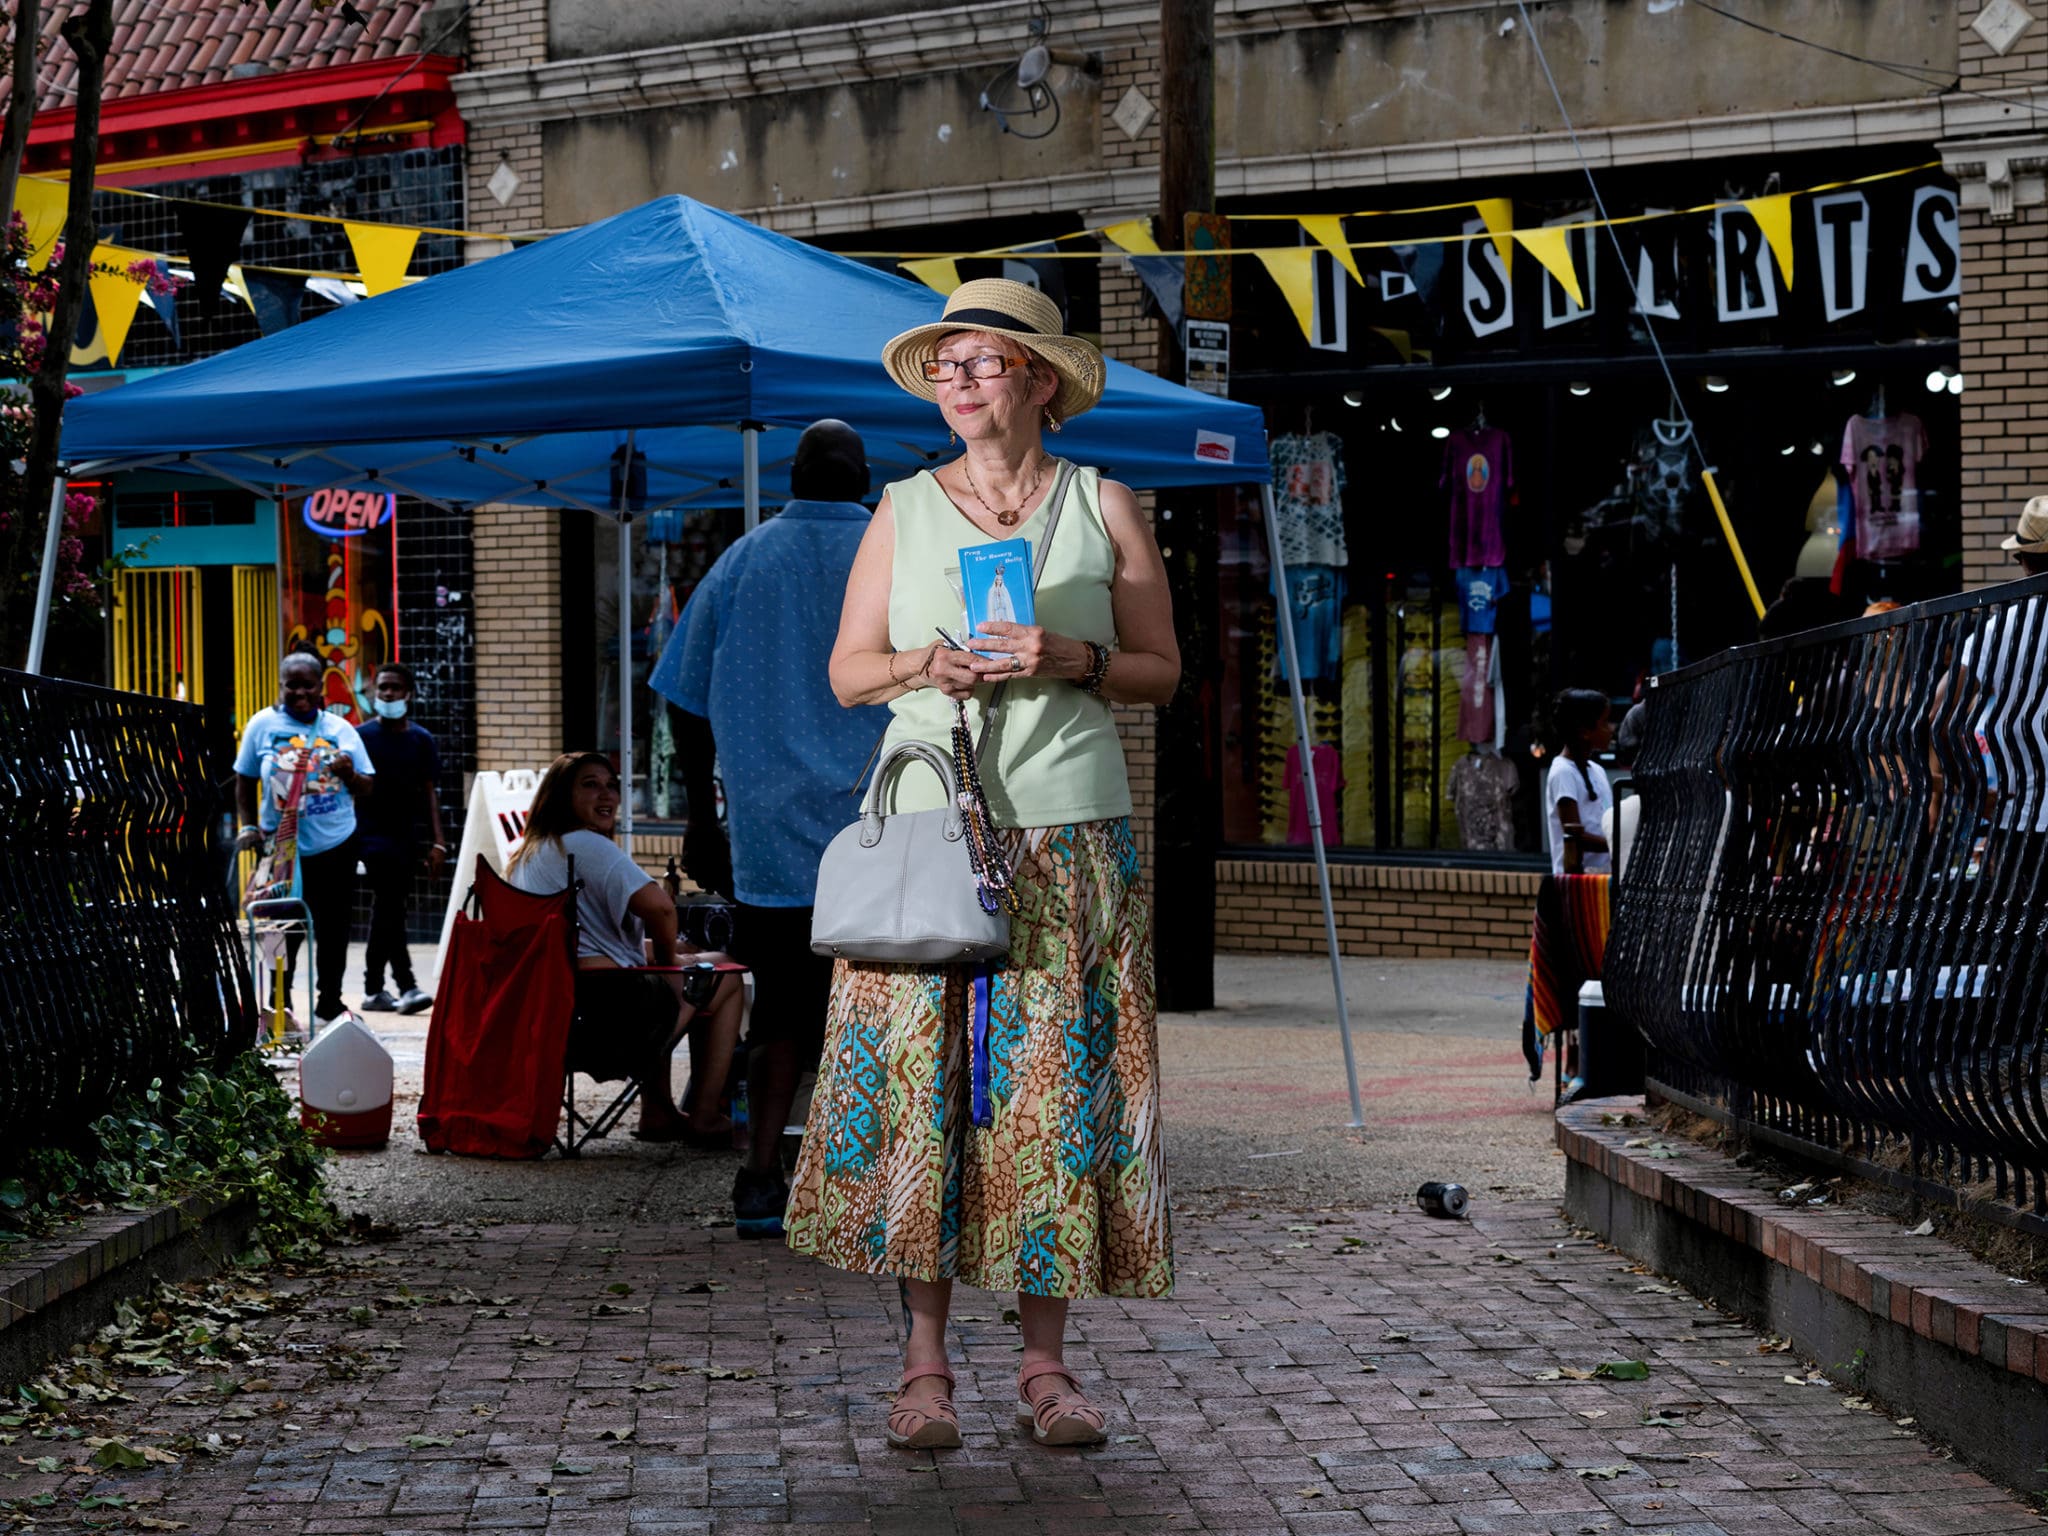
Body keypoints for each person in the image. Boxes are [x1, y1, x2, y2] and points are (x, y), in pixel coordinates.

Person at [785, 278, 1180, 1452]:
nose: (955, 384)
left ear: (1039, 381)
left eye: (980, 364)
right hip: (930, 833)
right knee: (922, 1096)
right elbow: (847, 674)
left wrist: (1070, 653)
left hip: (1071, 834)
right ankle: (923, 1370)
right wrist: (924, 663)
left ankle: (1045, 1367)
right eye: (942, 368)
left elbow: (1161, 668)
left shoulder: (1103, 504)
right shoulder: (901, 508)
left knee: (1049, 1097)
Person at [649, 419, 890, 1239]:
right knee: (878, 1011)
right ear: (866, 476)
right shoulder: (897, 553)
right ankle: (865, 1181)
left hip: (771, 837)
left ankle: (760, 1181)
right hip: (883, 831)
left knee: (780, 1015)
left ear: (791, 474)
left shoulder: (743, 561)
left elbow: (681, 695)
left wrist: (698, 812)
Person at [505, 752, 747, 1143]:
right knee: (726, 976)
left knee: (696, 968)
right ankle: (704, 1114)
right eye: (590, 784)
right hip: (610, 1015)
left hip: (549, 1011)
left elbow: (580, 940)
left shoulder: (527, 854)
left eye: (612, 785)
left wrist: (659, 954)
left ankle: (659, 1111)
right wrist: (670, 961)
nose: (607, 794)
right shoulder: (585, 844)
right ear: (562, 795)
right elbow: (662, 907)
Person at [235, 651, 375, 1030]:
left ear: (320, 688)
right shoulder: (261, 725)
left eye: (307, 685)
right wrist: (249, 826)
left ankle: (329, 1000)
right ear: (280, 685)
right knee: (278, 929)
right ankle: (277, 1005)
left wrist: (348, 773)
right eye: (291, 685)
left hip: (335, 845)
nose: (299, 692)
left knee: (333, 927)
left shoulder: (341, 729)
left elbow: (367, 786)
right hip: (280, 847)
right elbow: (245, 778)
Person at [356, 663, 447, 1015]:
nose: (388, 694)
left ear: (408, 693)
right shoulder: (362, 736)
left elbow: (429, 794)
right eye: (382, 688)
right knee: (390, 904)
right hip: (370, 837)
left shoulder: (420, 740)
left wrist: (438, 842)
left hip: (407, 838)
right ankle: (406, 985)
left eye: (395, 688)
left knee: (390, 909)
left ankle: (373, 989)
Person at [1547, 687, 1615, 876]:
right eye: (1605, 723)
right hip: (1577, 884)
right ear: (1585, 732)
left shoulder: (1597, 770)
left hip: (1603, 879)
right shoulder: (1563, 772)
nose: (1611, 729)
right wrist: (1617, 843)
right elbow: (1574, 836)